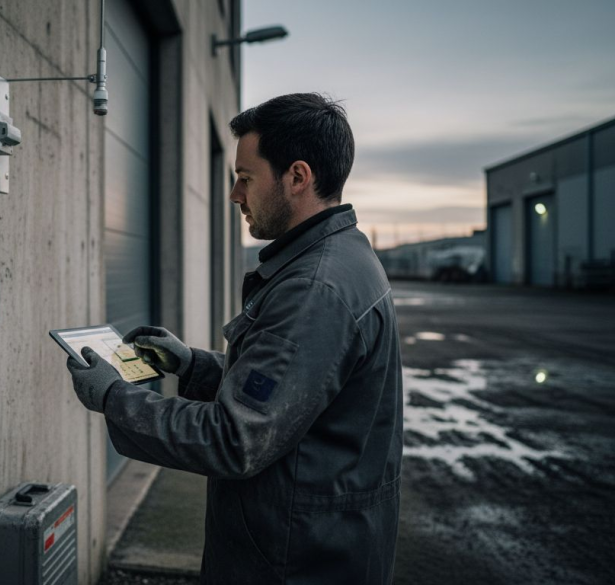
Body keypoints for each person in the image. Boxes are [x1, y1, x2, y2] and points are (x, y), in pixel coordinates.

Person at [66, 93, 402, 584]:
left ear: (297, 177)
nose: (234, 194)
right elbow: (298, 393)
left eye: (245, 178)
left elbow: (233, 438)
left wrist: (115, 397)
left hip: (296, 561)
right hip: (317, 545)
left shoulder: (314, 289)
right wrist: (192, 365)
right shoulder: (342, 257)